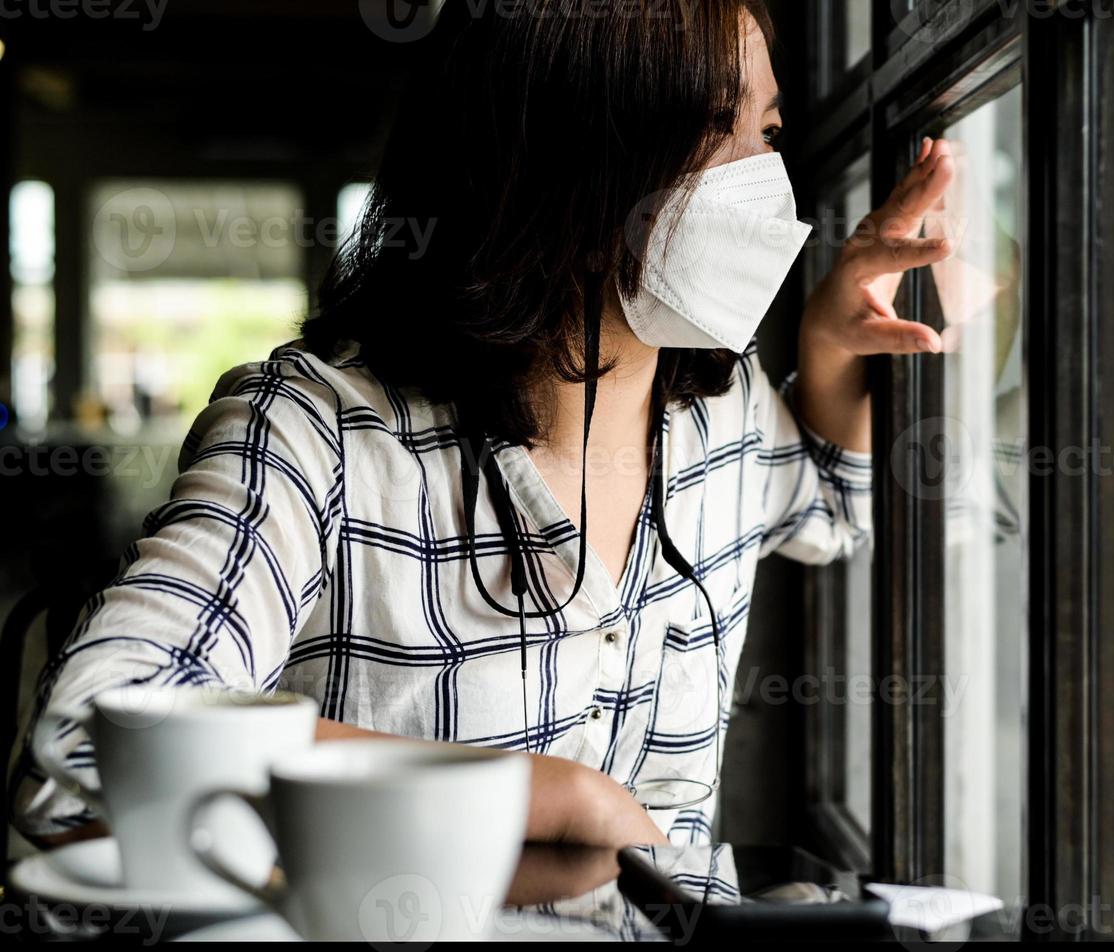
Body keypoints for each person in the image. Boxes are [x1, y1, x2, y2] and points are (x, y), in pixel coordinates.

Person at [12, 1, 955, 851]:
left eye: (771, 129)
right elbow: (91, 743)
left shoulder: (724, 409)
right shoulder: (317, 431)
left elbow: (831, 504)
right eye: (718, 128)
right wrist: (540, 798)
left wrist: (831, 341)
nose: (769, 184)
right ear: (567, 157)